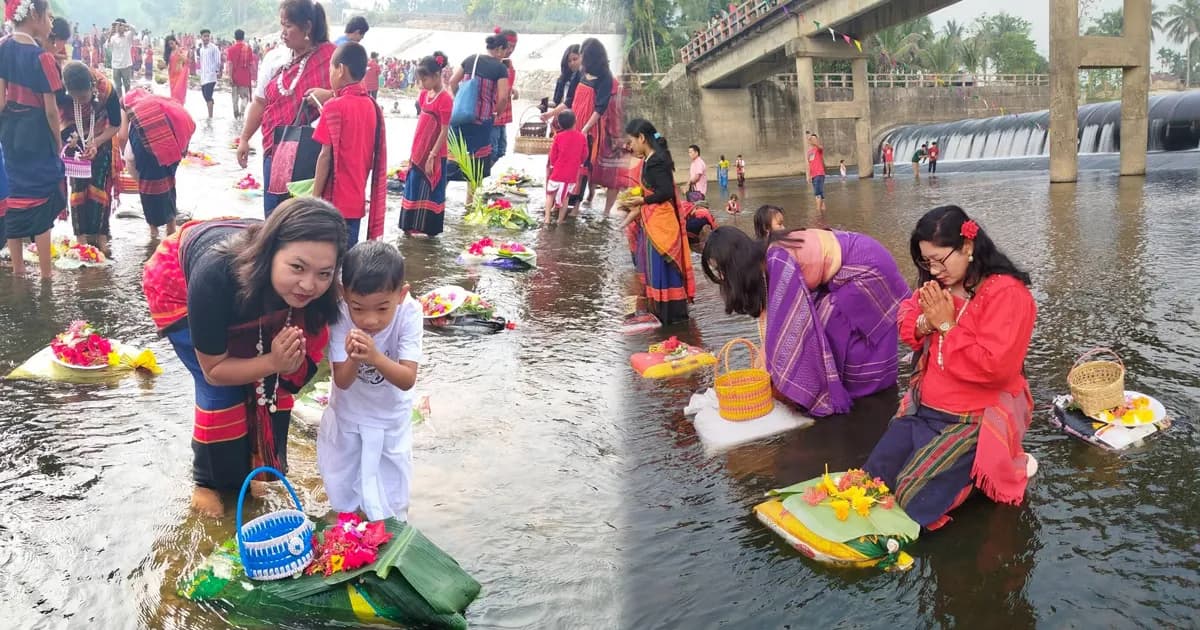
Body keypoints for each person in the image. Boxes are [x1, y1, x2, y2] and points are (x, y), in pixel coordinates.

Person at [142, 198, 348, 517]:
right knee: (222, 391)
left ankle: (254, 462)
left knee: (270, 384)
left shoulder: (318, 290)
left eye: (324, 273)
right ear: (271, 253)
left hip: (254, 287)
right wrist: (271, 362)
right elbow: (214, 370)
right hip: (181, 283)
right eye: (297, 267)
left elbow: (297, 370)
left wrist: (279, 367)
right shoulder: (215, 275)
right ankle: (208, 483)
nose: (309, 285)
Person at [864, 205, 1037, 531]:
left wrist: (947, 326)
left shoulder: (1007, 294)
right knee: (872, 482)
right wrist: (924, 323)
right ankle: (948, 468)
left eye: (940, 260)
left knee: (909, 502)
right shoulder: (937, 285)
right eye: (926, 261)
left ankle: (981, 473)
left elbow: (996, 369)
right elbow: (906, 320)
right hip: (923, 409)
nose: (934, 270)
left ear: (968, 246)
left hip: (970, 418)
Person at [700, 225, 910, 417]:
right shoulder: (768, 253)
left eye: (722, 270)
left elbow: (789, 323)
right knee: (817, 322)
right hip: (860, 260)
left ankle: (842, 391)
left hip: (867, 269)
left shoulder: (777, 258)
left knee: (828, 323)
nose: (723, 277)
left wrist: (772, 369)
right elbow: (774, 317)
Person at [318, 240, 422, 522]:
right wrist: (354, 357)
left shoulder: (410, 313)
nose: (370, 320)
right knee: (343, 479)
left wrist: (374, 356)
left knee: (392, 489)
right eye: (359, 308)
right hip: (350, 413)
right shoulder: (340, 313)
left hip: (390, 416)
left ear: (401, 295)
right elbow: (342, 380)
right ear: (344, 293)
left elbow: (407, 379)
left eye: (382, 308)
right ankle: (347, 526)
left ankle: (388, 529)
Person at [237, 0, 335, 216]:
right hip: (274, 148)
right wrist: (244, 138)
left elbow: (355, 95)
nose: (283, 33)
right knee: (274, 218)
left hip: (311, 154)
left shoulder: (330, 58)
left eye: (288, 26)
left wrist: (327, 95)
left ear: (307, 27)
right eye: (282, 25)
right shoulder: (275, 58)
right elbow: (260, 102)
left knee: (302, 221)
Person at [0, 0, 64, 278]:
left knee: (14, 193)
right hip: (37, 134)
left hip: (10, 134)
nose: (50, 23)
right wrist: (58, 142)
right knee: (41, 196)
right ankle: (47, 276)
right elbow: (51, 110)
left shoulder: (2, 47)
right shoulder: (42, 58)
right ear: (35, 15)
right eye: (48, 16)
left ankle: (18, 271)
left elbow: (0, 99)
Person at [618, 118, 694, 325]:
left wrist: (643, 199)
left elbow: (666, 192)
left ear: (642, 138)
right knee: (659, 269)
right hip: (655, 223)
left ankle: (670, 317)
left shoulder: (655, 161)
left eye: (631, 141)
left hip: (661, 224)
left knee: (662, 268)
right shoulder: (651, 159)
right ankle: (668, 317)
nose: (630, 146)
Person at [311, 42, 386, 248]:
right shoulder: (373, 107)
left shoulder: (334, 106)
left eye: (331, 70)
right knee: (347, 261)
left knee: (327, 262)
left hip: (333, 203)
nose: (330, 76)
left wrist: (314, 199)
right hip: (357, 202)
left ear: (341, 70)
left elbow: (325, 156)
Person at [58, 62, 121, 257]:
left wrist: (96, 142)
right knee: (78, 188)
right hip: (72, 140)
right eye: (75, 97)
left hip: (101, 138)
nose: (80, 101)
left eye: (83, 97)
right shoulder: (60, 93)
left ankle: (101, 236)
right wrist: (70, 141)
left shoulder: (107, 90)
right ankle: (82, 238)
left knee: (99, 188)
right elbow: (55, 119)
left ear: (92, 87)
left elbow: (116, 124)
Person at [121, 88, 195, 239]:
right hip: (174, 141)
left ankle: (153, 235)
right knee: (168, 183)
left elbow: (122, 137)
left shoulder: (125, 104)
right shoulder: (158, 102)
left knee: (148, 188)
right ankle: (171, 230)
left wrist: (124, 159)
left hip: (147, 146)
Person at [446, 32, 511, 203]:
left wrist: (461, 101)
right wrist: (496, 113)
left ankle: (438, 200)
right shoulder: (500, 67)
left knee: (451, 160)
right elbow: (504, 97)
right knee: (475, 164)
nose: (505, 55)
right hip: (482, 122)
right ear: (498, 49)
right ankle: (469, 204)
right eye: (505, 51)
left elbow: (452, 81)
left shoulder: (470, 59)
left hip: (460, 119)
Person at [398, 53, 452, 237]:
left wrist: (432, 155)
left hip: (434, 153)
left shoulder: (445, 99)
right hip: (418, 150)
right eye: (420, 79)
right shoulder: (424, 96)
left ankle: (427, 229)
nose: (422, 83)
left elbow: (444, 131)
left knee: (430, 189)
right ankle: (410, 226)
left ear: (437, 76)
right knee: (413, 186)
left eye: (425, 79)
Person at [575, 38, 629, 216]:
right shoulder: (584, 73)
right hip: (593, 127)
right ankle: (589, 197)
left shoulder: (608, 80)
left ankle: (606, 212)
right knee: (591, 167)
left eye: (583, 55)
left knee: (612, 174)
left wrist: (616, 135)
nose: (580, 58)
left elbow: (608, 108)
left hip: (608, 131)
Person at [544, 109, 588, 224]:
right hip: (571, 174)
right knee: (566, 198)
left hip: (557, 172)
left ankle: (547, 219)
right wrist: (579, 162)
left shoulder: (558, 137)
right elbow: (585, 154)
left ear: (559, 124)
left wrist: (554, 164)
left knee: (550, 195)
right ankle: (560, 220)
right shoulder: (582, 137)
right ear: (575, 121)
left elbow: (553, 155)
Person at [488, 28, 518, 164]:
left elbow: (505, 84)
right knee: (491, 150)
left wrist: (512, 89)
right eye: (509, 46)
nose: (510, 50)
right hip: (494, 112)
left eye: (513, 47)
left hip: (503, 113)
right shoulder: (493, 63)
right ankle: (477, 179)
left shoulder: (507, 63)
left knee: (501, 150)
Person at [541, 44, 580, 125]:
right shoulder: (562, 80)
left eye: (575, 59)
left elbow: (569, 101)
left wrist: (550, 114)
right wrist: (544, 105)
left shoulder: (582, 79)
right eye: (569, 61)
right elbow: (557, 102)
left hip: (576, 118)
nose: (572, 63)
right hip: (562, 120)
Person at [226, 29, 255, 119]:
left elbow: (230, 64)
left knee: (235, 98)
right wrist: (252, 76)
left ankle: (236, 114)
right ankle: (242, 113)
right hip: (245, 77)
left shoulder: (231, 49)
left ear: (235, 37)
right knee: (245, 97)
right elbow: (251, 64)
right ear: (243, 37)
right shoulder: (248, 49)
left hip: (234, 77)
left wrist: (230, 77)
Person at [108, 19, 133, 101]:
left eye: (120, 26)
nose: (118, 27)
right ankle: (120, 102)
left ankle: (128, 102)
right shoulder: (113, 38)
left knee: (127, 85)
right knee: (117, 86)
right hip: (116, 66)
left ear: (124, 26)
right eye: (117, 26)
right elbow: (107, 46)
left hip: (126, 65)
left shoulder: (128, 36)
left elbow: (133, 28)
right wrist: (111, 33)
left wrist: (123, 24)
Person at [165, 35, 189, 104]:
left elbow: (186, 61)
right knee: (173, 95)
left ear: (175, 42)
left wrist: (180, 55)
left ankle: (180, 109)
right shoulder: (169, 52)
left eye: (172, 43)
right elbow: (167, 64)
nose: (171, 45)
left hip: (180, 76)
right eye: (169, 44)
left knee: (178, 94)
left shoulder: (182, 50)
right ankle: (175, 111)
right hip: (172, 76)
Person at [806, 132, 826, 212]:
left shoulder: (819, 148)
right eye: (812, 139)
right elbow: (809, 165)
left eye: (815, 139)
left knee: (817, 193)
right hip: (813, 175)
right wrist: (808, 176)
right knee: (820, 193)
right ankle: (823, 210)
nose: (813, 140)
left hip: (819, 173)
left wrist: (814, 141)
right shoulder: (809, 152)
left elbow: (820, 147)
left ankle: (818, 212)